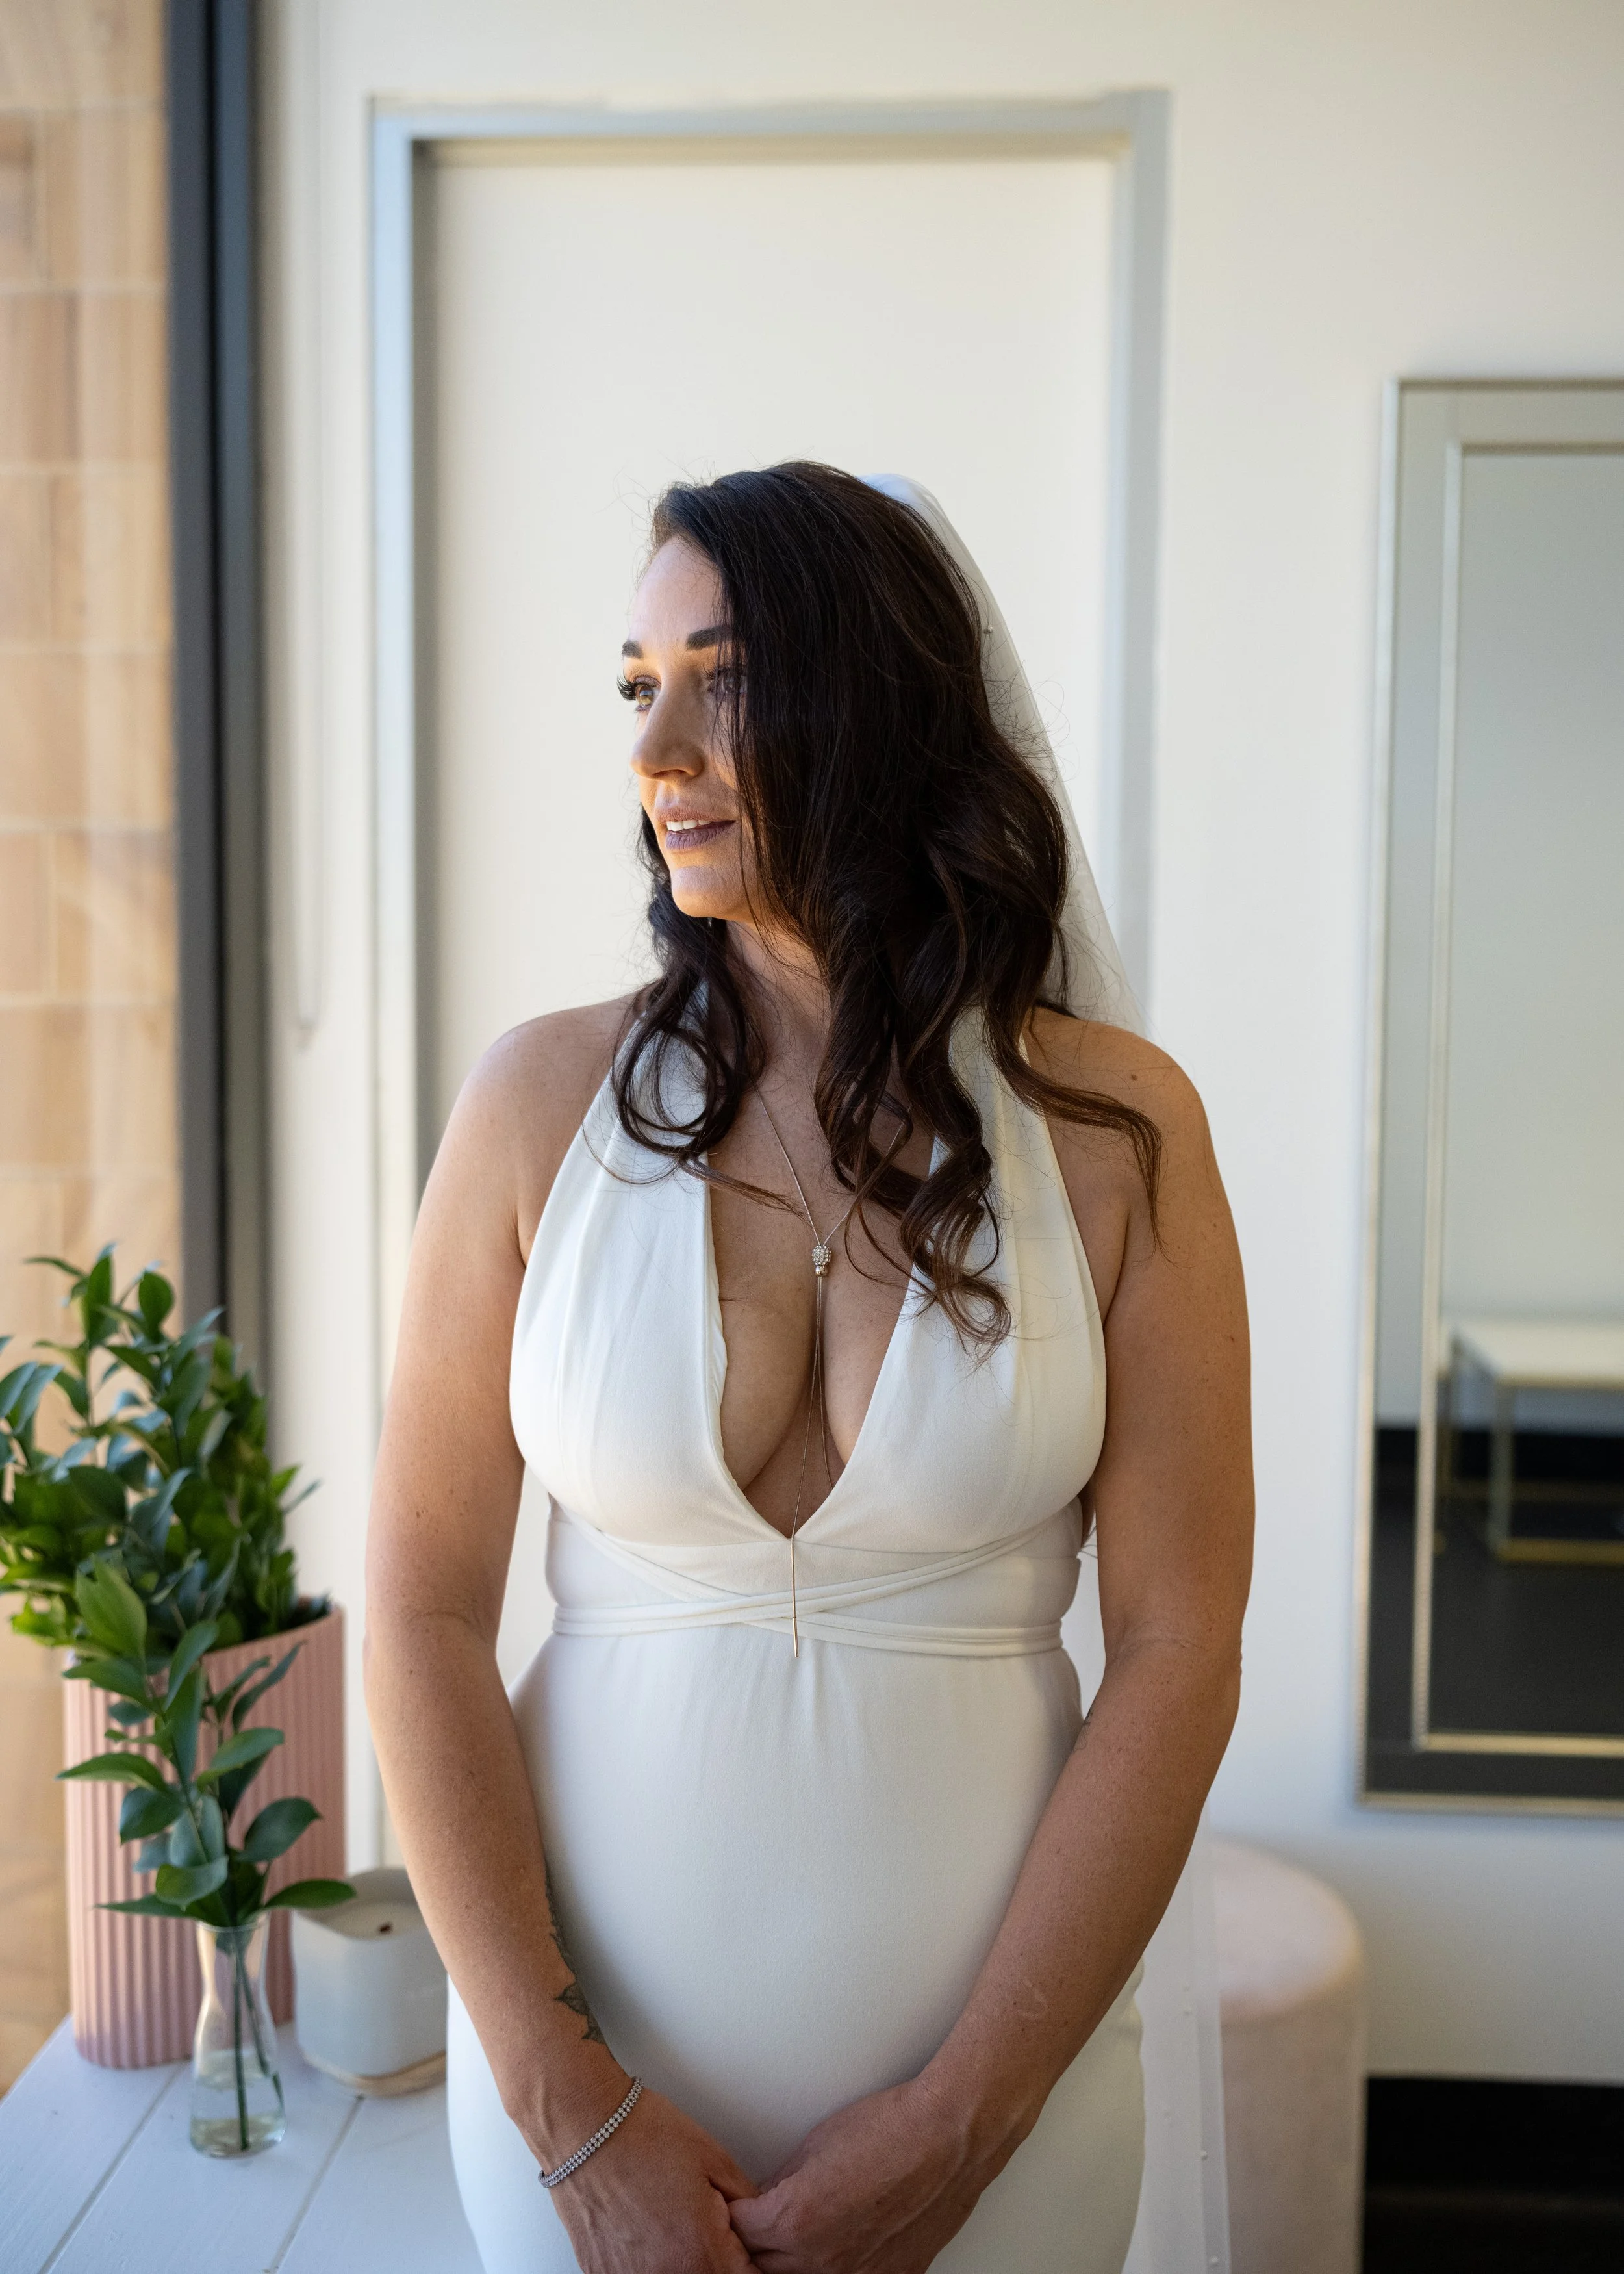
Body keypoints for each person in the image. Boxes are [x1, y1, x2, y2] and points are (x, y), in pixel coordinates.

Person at [365, 464, 1253, 2274]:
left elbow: (1180, 1642)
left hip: (1004, 2126)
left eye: (727, 681)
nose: (656, 751)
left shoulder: (1116, 1130)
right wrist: (560, 2098)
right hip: (579, 2120)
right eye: (639, 686)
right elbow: (420, 1608)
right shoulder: (534, 1107)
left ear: (881, 701)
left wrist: (966, 2119)